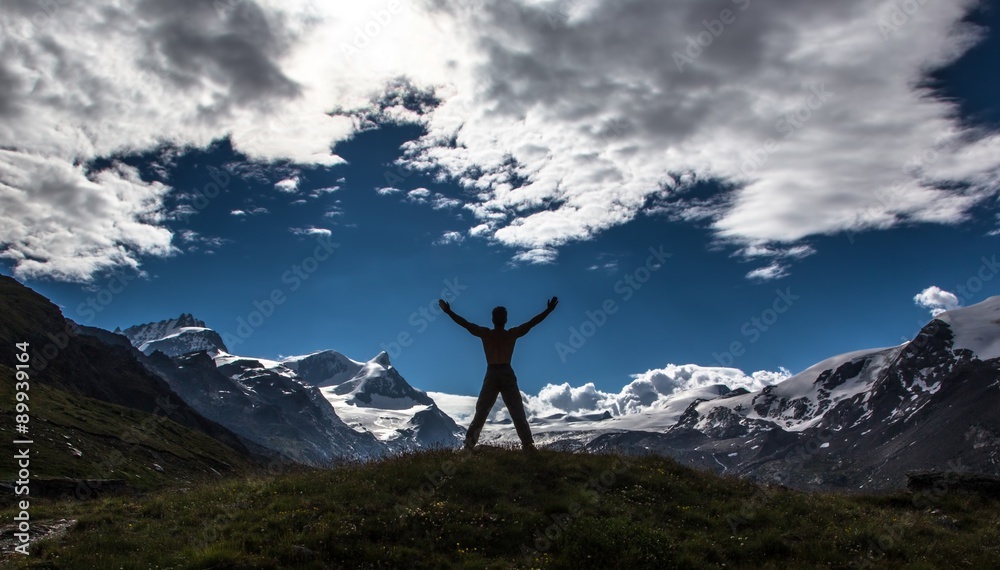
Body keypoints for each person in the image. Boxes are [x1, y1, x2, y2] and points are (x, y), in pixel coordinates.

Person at [438, 297, 558, 452]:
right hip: (500, 373)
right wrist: (548, 311)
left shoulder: (490, 334)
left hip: (497, 373)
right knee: (503, 410)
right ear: (504, 319)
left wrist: (449, 312)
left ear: (493, 319)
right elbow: (531, 323)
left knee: (497, 410)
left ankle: (473, 445)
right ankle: (525, 444)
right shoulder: (506, 334)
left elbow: (466, 324)